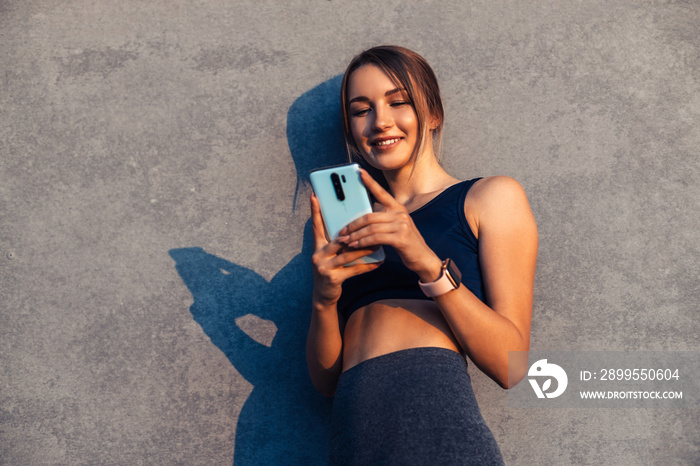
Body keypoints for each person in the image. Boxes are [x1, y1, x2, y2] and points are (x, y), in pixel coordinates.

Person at [306, 45, 538, 465]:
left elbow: (512, 366)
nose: (380, 122)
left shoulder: (489, 197)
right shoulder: (356, 226)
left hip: (435, 423)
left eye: (399, 102)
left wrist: (425, 261)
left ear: (433, 115)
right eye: (361, 110)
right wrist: (323, 300)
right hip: (353, 438)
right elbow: (326, 382)